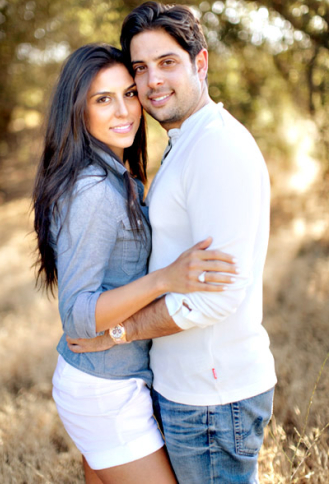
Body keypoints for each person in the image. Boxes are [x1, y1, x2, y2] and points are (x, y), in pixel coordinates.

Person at [68, 2, 277, 484]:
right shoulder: (187, 142)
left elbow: (216, 295)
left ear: (199, 63)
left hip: (212, 396)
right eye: (141, 68)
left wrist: (118, 333)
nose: (152, 81)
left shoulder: (217, 147)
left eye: (167, 63)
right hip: (187, 389)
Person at [32, 43, 238, 484]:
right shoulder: (92, 190)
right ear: (77, 110)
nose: (125, 110)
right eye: (103, 99)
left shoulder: (113, 174)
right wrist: (165, 279)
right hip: (104, 393)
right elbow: (78, 316)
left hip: (109, 381)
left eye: (129, 93)